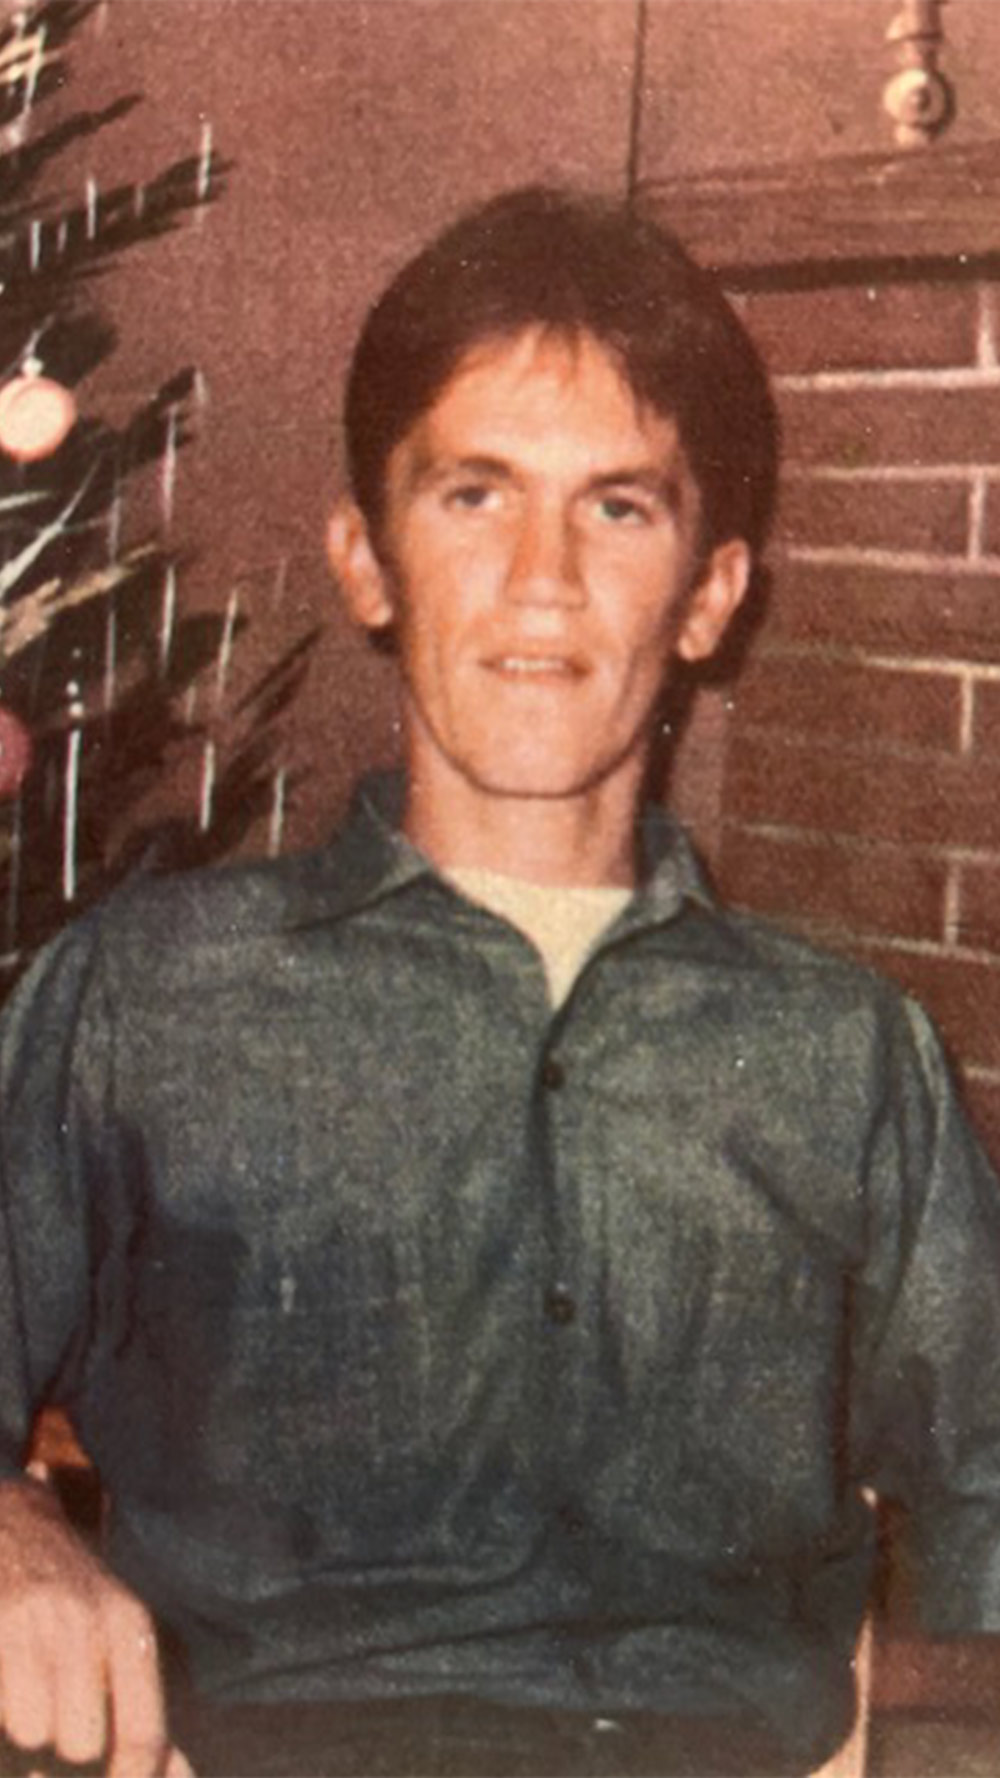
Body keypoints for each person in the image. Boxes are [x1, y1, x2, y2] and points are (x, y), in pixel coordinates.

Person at [0, 185, 999, 1778]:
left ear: (713, 594)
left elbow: (986, 1506)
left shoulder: (847, 1051)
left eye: (617, 508)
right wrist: (13, 1535)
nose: (544, 577)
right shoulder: (143, 998)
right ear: (367, 560)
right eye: (475, 495)